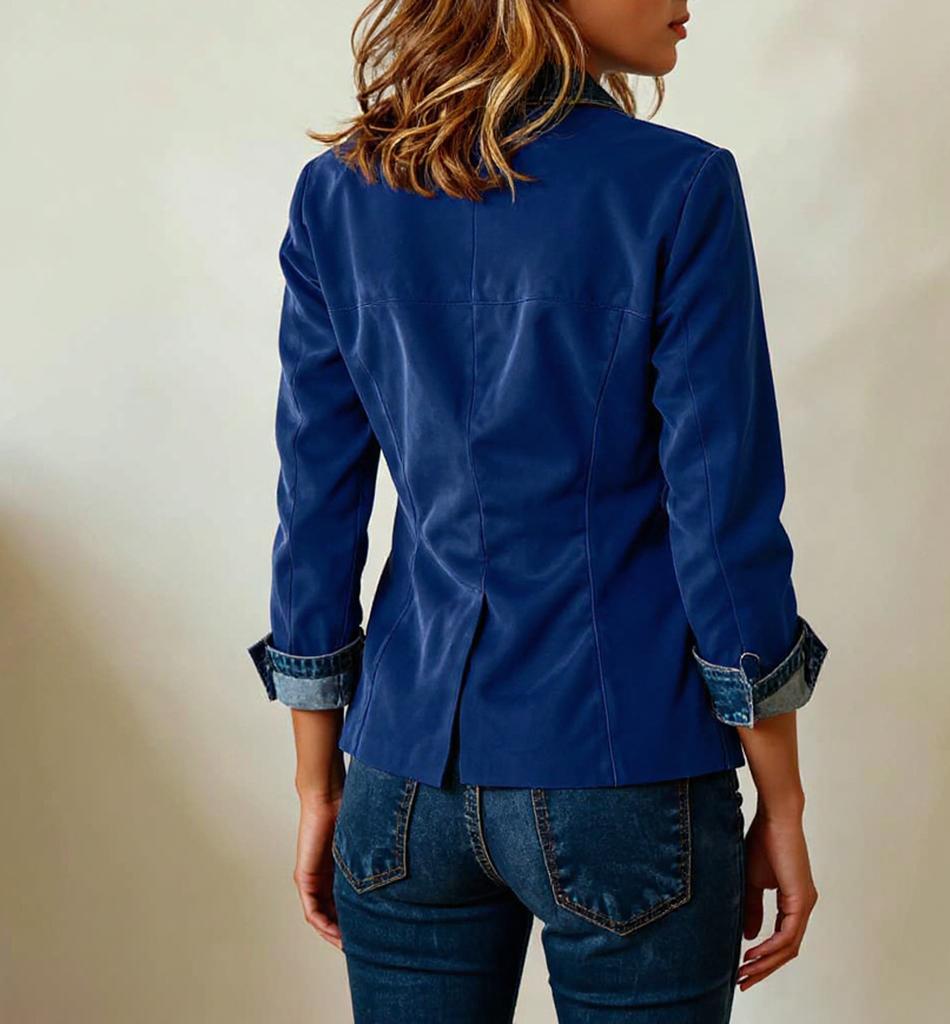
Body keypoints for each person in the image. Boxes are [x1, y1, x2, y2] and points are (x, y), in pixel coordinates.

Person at [246, 1, 830, 1020]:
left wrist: (316, 781)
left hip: (401, 774)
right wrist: (782, 798)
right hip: (625, 763)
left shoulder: (340, 192)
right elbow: (721, 520)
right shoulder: (678, 184)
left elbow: (315, 510)